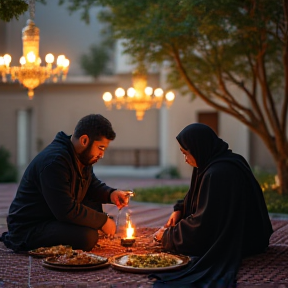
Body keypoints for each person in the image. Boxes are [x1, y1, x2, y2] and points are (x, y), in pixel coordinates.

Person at [151, 123, 273, 288]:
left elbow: (205, 227)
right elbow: (199, 198)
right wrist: (180, 209)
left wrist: (168, 235)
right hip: (251, 235)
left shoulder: (218, 173)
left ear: (199, 148)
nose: (185, 159)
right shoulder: (215, 162)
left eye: (186, 153)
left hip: (244, 240)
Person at [1, 114, 130, 252]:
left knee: (94, 212)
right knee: (87, 237)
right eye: (101, 147)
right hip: (30, 227)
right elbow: (66, 209)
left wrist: (111, 194)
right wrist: (102, 221)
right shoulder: (54, 162)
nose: (101, 154)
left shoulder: (82, 156)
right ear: (84, 140)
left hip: (52, 216)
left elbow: (90, 184)